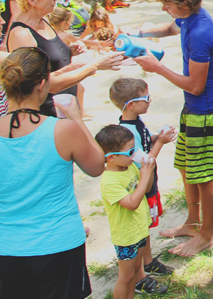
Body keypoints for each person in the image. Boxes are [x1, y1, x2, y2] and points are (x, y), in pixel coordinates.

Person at [128, 0, 213, 257]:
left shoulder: (200, 33)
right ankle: (193, 222)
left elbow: (195, 86)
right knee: (186, 168)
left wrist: (156, 67)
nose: (163, 8)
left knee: (203, 177)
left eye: (167, 4)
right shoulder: (188, 18)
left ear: (184, 3)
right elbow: (172, 26)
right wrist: (142, 32)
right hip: (193, 111)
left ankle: (206, 235)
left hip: (207, 114)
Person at [0, 48, 103, 299]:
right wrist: (76, 118)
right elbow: (97, 166)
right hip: (58, 244)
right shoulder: (63, 130)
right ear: (43, 84)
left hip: (6, 247)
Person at [6, 0, 124, 102]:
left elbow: (48, 61)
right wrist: (94, 65)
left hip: (66, 103)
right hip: (48, 111)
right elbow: (42, 85)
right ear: (32, 0)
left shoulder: (43, 20)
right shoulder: (21, 35)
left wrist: (67, 52)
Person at [109, 78, 177, 277]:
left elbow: (145, 145)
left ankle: (146, 261)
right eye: (146, 98)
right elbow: (145, 162)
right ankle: (143, 265)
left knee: (145, 224)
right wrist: (161, 143)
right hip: (142, 185)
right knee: (142, 225)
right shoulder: (128, 131)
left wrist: (156, 137)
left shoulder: (135, 123)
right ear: (131, 105)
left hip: (148, 183)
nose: (150, 101)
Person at [96, 124, 172, 297]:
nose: (134, 155)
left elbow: (144, 190)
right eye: (130, 152)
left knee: (136, 270)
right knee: (127, 276)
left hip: (139, 230)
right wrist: (144, 176)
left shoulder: (129, 167)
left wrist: (149, 171)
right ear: (112, 157)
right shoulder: (110, 181)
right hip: (126, 237)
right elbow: (132, 203)